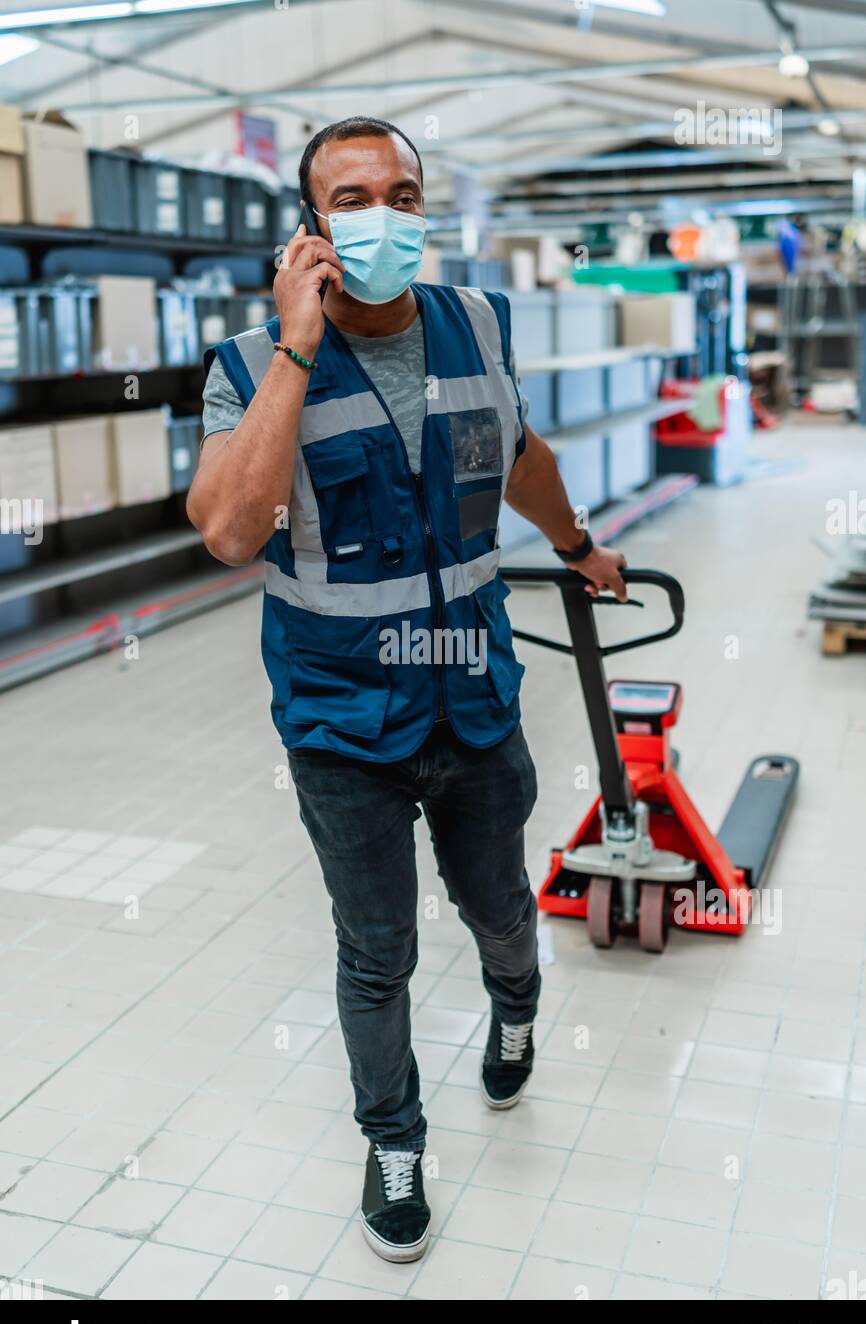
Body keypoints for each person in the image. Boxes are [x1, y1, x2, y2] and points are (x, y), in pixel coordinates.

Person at [187, 116, 627, 1264]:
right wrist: (294, 343)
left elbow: (515, 449)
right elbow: (234, 530)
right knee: (373, 950)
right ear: (310, 226)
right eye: (350, 197)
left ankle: (516, 1007)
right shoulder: (243, 364)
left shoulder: (478, 321)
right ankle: (393, 1142)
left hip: (471, 697)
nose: (381, 214)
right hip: (340, 720)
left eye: (401, 193)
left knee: (496, 908)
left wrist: (576, 540)